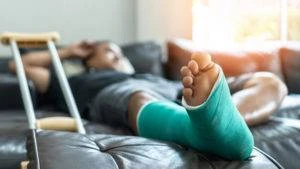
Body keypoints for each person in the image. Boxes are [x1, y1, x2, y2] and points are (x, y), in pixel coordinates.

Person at [9, 41, 287, 160]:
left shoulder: (151, 74)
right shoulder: (72, 80)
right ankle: (203, 124)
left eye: (120, 53)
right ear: (90, 62)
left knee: (268, 81)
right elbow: (17, 66)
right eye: (109, 53)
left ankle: (221, 119)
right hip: (121, 94)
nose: (118, 56)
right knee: (139, 97)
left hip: (175, 91)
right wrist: (69, 52)